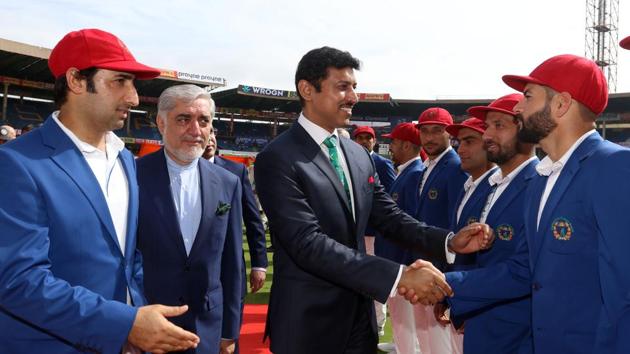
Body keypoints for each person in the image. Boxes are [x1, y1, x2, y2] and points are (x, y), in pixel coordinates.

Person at [254, 46, 493, 354]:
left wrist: (448, 242)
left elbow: (388, 216)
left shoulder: (357, 154)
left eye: (354, 87)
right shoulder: (277, 158)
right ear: (307, 89)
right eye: (342, 87)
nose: (353, 97)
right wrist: (399, 275)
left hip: (358, 318)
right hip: (308, 322)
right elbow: (307, 243)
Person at [0, 29, 199, 353]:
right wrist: (123, 324)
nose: (134, 97)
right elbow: (18, 281)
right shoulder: (17, 164)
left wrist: (136, 316)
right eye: (120, 81)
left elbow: (128, 257)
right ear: (77, 80)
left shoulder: (124, 159)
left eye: (133, 84)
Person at [432, 54, 630, 353]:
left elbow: (624, 289)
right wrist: (446, 283)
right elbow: (526, 270)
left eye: (527, 96)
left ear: (561, 104)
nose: (518, 107)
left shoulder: (615, 166)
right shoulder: (540, 179)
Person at [137, 84, 243, 354]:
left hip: (207, 326)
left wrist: (230, 330)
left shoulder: (228, 183)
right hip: (147, 322)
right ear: (161, 123)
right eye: (184, 119)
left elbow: (232, 262)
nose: (196, 131)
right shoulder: (130, 175)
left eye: (204, 121)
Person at [442, 93, 538, 354]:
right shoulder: (494, 186)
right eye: (487, 126)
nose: (487, 135)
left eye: (499, 125)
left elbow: (525, 270)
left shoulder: (539, 185)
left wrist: (447, 285)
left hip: (516, 334)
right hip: (481, 323)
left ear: (525, 128)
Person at [203, 124, 268, 353]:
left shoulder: (235, 172)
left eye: (212, 131)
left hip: (229, 274)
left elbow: (253, 220)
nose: (209, 138)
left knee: (229, 339)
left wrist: (259, 264)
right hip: (191, 277)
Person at [413, 107, 469, 354]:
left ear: (450, 134)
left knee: (444, 344)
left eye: (437, 130)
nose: (430, 137)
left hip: (441, 274)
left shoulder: (456, 168)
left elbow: (456, 228)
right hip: (427, 268)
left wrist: (447, 282)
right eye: (425, 131)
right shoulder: (429, 165)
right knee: (428, 341)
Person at [443, 116, 497, 352]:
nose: (460, 149)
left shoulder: (495, 188)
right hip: (462, 298)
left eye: (469, 141)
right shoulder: (469, 184)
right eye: (458, 142)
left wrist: (465, 301)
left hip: (480, 305)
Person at [375, 122, 427, 354]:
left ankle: (407, 350)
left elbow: (413, 222)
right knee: (399, 312)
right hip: (395, 255)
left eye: (393, 142)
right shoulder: (406, 171)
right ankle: (400, 345)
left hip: (402, 258)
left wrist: (408, 263)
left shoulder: (415, 173)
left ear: (407, 145)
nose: (391, 147)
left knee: (406, 314)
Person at [352, 124, 396, 338]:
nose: (364, 141)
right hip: (354, 231)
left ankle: (378, 323)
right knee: (357, 278)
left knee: (377, 278)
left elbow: (391, 200)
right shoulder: (348, 162)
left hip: (375, 232)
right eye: (359, 138)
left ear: (374, 141)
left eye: (367, 138)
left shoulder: (383, 164)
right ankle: (362, 320)